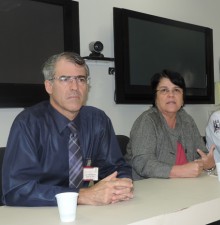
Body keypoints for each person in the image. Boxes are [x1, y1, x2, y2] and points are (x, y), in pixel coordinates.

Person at [2, 52, 133, 206]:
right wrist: (81, 196)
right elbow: (16, 190)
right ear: (49, 86)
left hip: (87, 214)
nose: (75, 87)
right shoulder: (28, 124)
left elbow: (116, 168)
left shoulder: (98, 120)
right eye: (65, 79)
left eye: (81, 79)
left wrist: (121, 184)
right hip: (38, 213)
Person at [125, 70, 216, 180]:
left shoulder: (186, 120)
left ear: (182, 98)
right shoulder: (147, 121)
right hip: (149, 189)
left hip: (184, 187)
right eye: (164, 90)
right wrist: (180, 171)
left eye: (176, 90)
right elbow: (142, 163)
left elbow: (202, 155)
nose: (171, 95)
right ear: (155, 97)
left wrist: (209, 164)